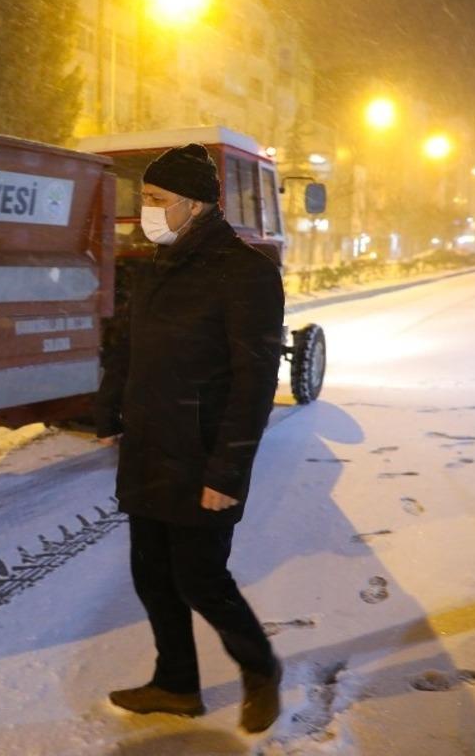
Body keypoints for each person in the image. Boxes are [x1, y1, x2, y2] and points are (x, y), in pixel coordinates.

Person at [94, 143, 285, 734]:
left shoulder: (246, 272)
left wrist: (226, 473)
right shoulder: (158, 267)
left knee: (201, 580)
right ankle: (176, 683)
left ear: (195, 204)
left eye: (155, 199)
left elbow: (254, 383)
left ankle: (260, 670)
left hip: (203, 458)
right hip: (150, 449)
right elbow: (129, 350)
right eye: (143, 197)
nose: (144, 210)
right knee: (152, 576)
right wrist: (111, 414)